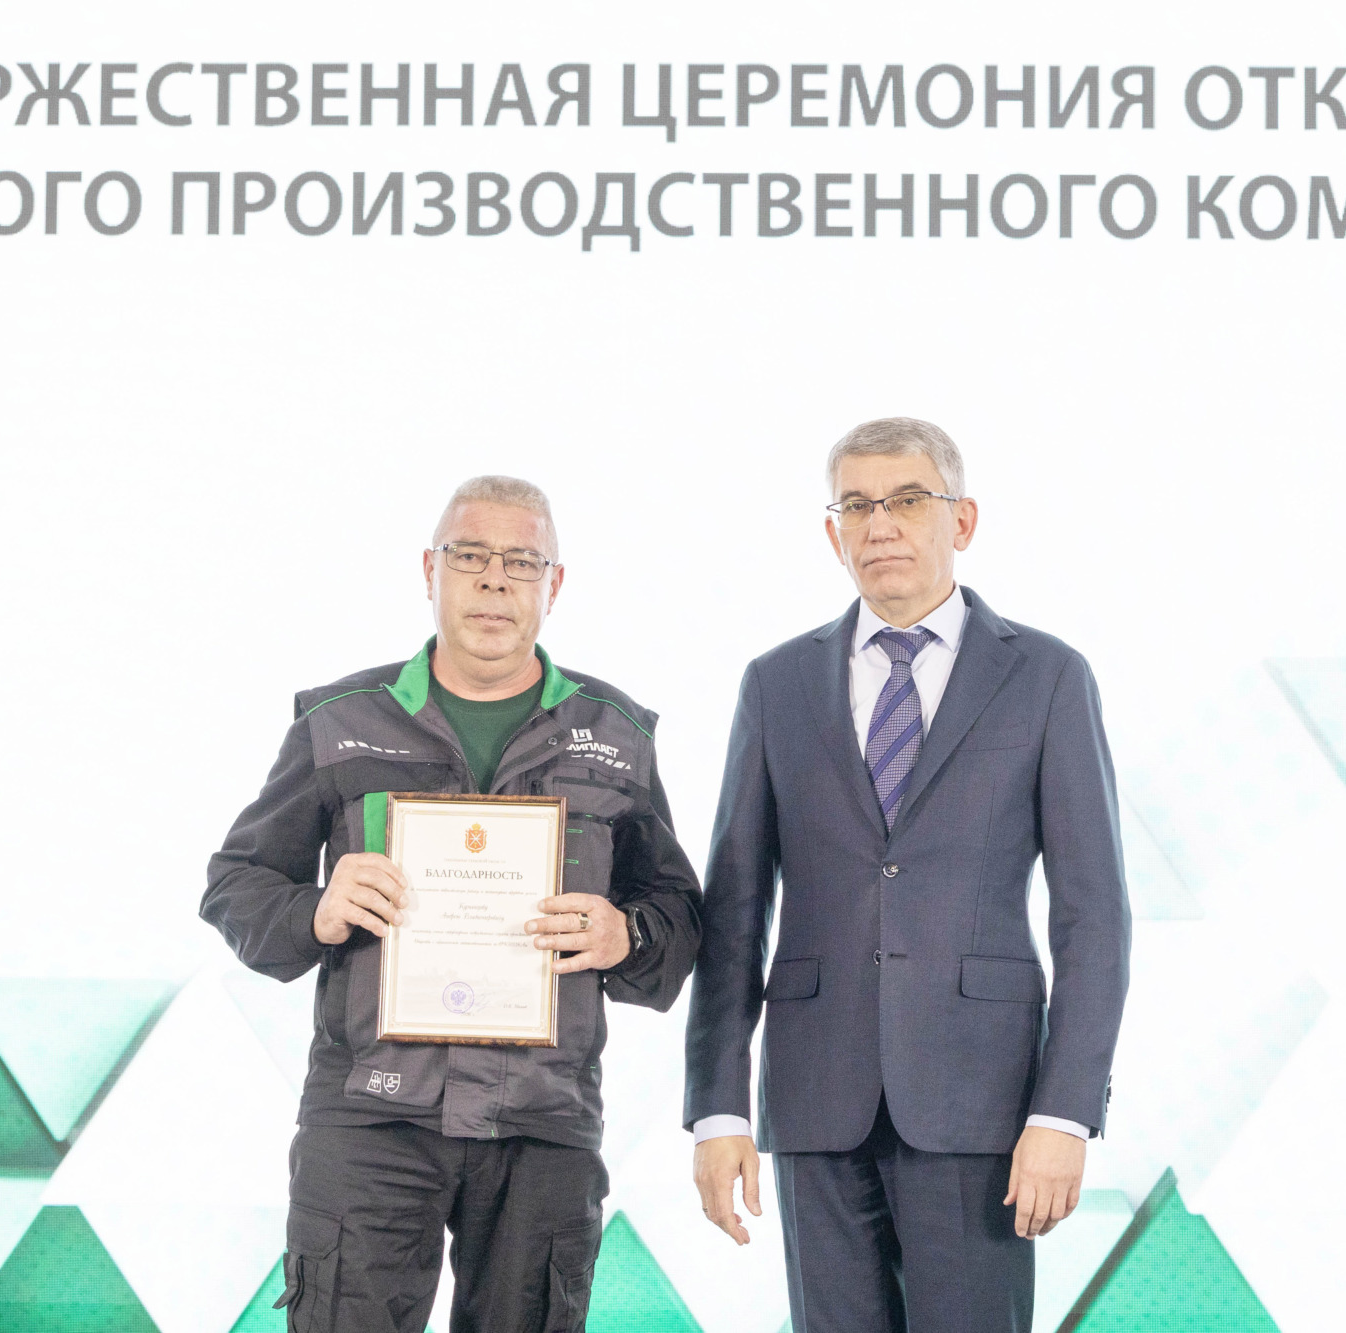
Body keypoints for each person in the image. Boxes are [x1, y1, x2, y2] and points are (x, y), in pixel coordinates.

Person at [203, 475, 702, 1333]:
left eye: (521, 561)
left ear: (554, 584)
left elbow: (679, 914)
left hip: (543, 1120)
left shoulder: (617, 735)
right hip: (370, 1116)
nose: (495, 580)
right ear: (429, 570)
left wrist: (626, 934)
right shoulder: (338, 721)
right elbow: (236, 883)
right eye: (470, 556)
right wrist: (318, 910)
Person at [683, 419, 1132, 1333]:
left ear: (962, 519)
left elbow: (1094, 916)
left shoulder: (1047, 676)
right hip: (816, 1097)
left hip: (983, 1101)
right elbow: (734, 912)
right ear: (833, 532)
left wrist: (1065, 1111)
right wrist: (717, 1108)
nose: (880, 523)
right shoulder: (776, 683)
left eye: (907, 500)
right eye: (857, 504)